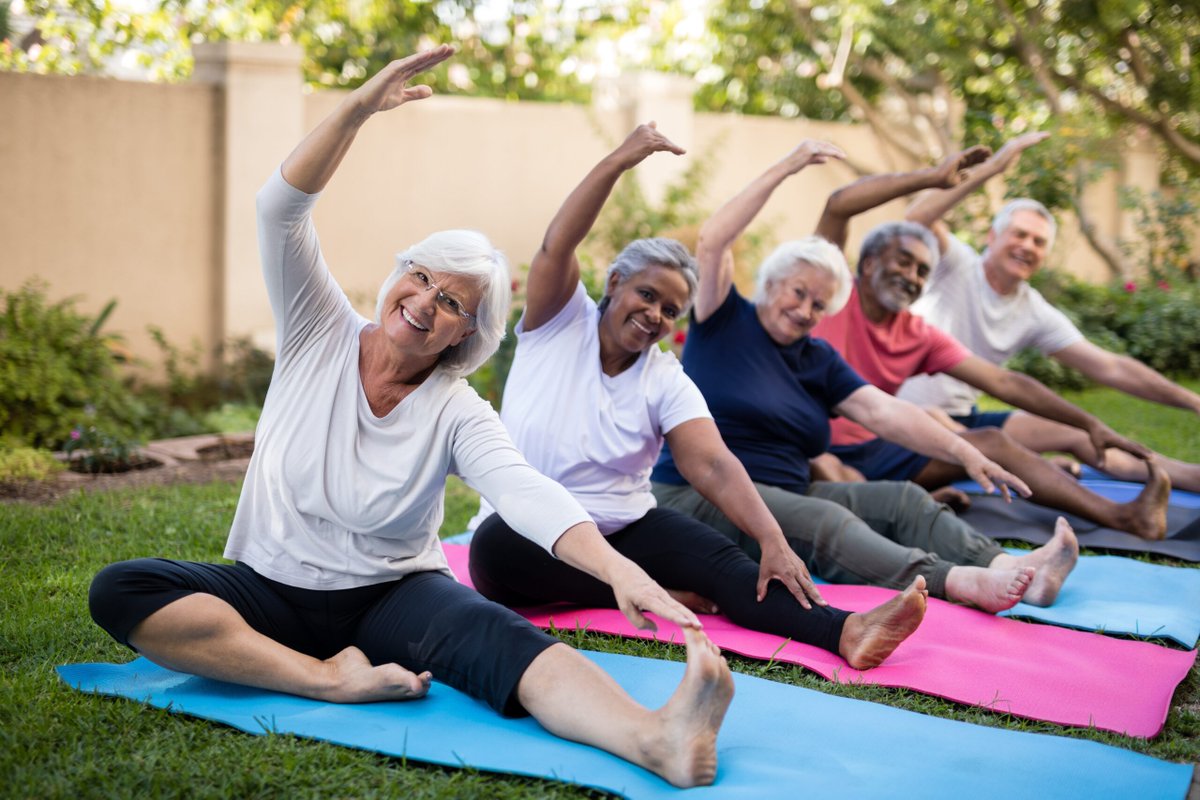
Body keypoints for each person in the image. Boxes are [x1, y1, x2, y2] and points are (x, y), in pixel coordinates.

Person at [85, 48, 736, 789]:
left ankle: (654, 737)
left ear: (468, 332)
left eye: (453, 302)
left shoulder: (457, 408)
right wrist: (359, 109)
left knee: (500, 637)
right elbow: (279, 209)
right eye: (420, 277)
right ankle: (325, 679)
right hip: (269, 586)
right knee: (122, 589)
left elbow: (524, 491)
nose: (426, 302)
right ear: (397, 275)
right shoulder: (316, 328)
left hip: (395, 596)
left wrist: (619, 569)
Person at [467, 124, 928, 672]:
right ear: (614, 283)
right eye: (647, 295)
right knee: (491, 549)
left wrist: (772, 538)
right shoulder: (557, 323)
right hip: (527, 536)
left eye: (670, 310)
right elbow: (557, 243)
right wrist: (620, 160)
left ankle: (846, 630)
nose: (655, 315)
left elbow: (710, 463)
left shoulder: (665, 378)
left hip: (623, 526)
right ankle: (642, 587)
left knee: (726, 560)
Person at [650, 140, 1080, 613]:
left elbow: (884, 410)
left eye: (820, 304)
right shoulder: (723, 320)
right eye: (798, 293)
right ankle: (958, 581)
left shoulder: (816, 357)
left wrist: (965, 452)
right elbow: (714, 240)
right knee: (826, 521)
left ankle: (1008, 567)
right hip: (698, 497)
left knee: (903, 500)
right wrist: (788, 166)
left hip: (789, 492)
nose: (805, 310)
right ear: (772, 282)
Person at [809, 154, 1171, 540]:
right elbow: (837, 206)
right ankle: (902, 502)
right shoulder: (832, 291)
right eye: (903, 262)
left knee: (989, 442)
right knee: (827, 468)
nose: (912, 277)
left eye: (921, 271)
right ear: (866, 263)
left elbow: (1006, 383)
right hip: (809, 445)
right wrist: (930, 177)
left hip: (877, 447)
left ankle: (1125, 516)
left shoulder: (917, 333)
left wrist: (1089, 423)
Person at [899, 133, 1200, 494]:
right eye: (1019, 235)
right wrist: (993, 169)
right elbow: (915, 219)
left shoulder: (1032, 309)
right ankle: (1032, 467)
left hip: (965, 420)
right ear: (992, 239)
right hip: (906, 417)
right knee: (986, 444)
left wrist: (1193, 401)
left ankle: (1189, 477)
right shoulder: (956, 264)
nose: (1027, 246)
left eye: (1038, 242)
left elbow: (1111, 367)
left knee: (1076, 431)